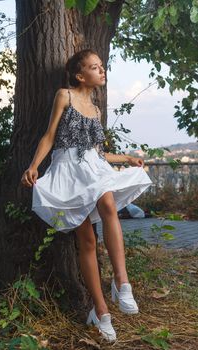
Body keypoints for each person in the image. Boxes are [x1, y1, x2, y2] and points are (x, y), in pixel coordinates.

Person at [21, 49, 152, 342]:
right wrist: (33, 166)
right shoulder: (64, 96)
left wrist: (126, 159)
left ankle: (121, 282)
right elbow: (50, 136)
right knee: (87, 240)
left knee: (107, 201)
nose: (102, 70)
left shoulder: (96, 109)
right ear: (81, 76)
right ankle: (101, 309)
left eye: (102, 66)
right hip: (68, 171)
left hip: (93, 168)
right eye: (95, 67)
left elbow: (97, 153)